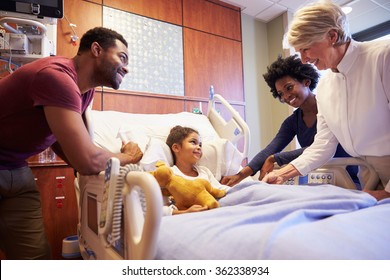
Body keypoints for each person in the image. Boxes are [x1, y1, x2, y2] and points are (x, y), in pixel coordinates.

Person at [0, 27, 143, 259]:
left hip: (15, 168)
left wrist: (92, 164)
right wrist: (128, 156)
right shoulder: (55, 77)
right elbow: (87, 159)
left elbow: (70, 144)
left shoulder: (85, 92)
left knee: (35, 260)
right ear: (96, 49)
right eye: (122, 57)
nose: (127, 68)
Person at [262, 1, 390, 201]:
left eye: (306, 49)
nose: (304, 60)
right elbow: (323, 144)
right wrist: (282, 173)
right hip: (368, 173)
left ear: (332, 36)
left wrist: (387, 192)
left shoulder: (382, 57)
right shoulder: (324, 86)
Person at [221, 54, 358, 187]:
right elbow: (271, 149)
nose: (286, 96)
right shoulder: (292, 122)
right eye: (281, 94)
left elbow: (321, 147)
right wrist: (239, 176)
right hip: (320, 179)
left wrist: (276, 158)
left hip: (351, 178)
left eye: (289, 87)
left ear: (306, 81)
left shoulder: (330, 107)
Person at [164, 125, 230, 215]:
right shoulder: (169, 175)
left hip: (214, 210)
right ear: (176, 148)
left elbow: (220, 190)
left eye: (200, 145)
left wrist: (238, 191)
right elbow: (160, 209)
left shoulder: (204, 171)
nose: (199, 147)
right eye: (193, 142)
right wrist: (186, 212)